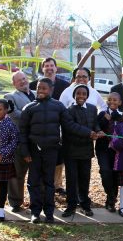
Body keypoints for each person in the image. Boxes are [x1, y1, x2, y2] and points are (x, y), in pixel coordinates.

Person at [19, 78, 94, 224]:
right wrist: (25, 152)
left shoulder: (58, 106)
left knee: (49, 182)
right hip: (34, 151)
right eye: (39, 88)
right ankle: (35, 213)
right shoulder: (29, 108)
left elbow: (70, 125)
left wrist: (88, 132)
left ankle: (49, 213)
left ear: (51, 90)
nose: (40, 91)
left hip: (51, 150)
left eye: (44, 88)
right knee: (33, 182)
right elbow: (22, 132)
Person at [29, 57, 70, 195]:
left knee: (59, 156)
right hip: (41, 125)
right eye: (46, 66)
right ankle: (41, 184)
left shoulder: (65, 85)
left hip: (59, 123)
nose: (49, 68)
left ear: (56, 68)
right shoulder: (34, 85)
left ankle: (57, 184)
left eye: (52, 65)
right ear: (42, 68)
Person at [61, 84, 100, 218]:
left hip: (86, 150)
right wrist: (89, 133)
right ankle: (71, 205)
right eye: (78, 93)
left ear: (87, 96)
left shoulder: (92, 109)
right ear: (74, 95)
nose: (81, 96)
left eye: (84, 94)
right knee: (71, 179)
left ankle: (85, 204)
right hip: (71, 150)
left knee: (85, 178)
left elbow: (95, 123)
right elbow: (71, 127)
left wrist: (98, 130)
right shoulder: (69, 110)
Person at [5, 71, 36, 212]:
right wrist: (36, 115)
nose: (23, 81)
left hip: (36, 141)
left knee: (36, 174)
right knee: (17, 173)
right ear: (14, 83)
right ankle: (15, 202)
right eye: (19, 80)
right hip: (18, 141)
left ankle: (36, 202)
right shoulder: (10, 97)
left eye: (24, 78)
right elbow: (13, 114)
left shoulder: (38, 93)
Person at [96, 92, 123, 212]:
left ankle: (110, 201)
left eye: (115, 100)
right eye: (110, 100)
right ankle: (111, 195)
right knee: (105, 171)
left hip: (117, 150)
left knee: (114, 173)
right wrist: (104, 121)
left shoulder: (122, 116)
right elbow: (96, 125)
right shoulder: (102, 113)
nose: (112, 102)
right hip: (103, 148)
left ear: (120, 102)